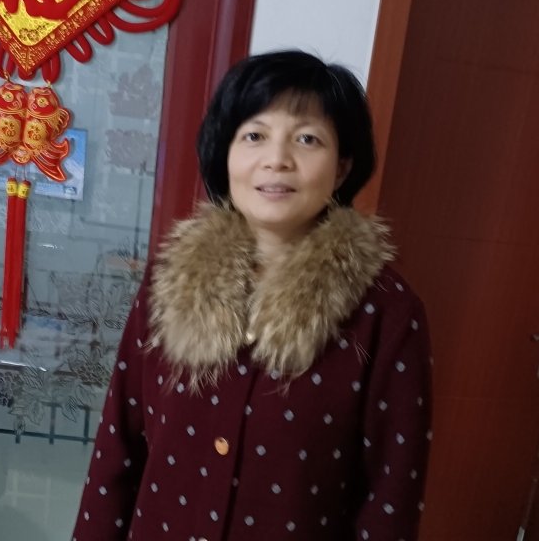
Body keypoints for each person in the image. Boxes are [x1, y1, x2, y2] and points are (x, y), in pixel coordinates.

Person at [71, 50, 432, 541]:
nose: (277, 159)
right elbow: (118, 447)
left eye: (307, 139)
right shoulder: (169, 280)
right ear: (226, 155)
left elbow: (391, 502)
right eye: (254, 136)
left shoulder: (386, 313)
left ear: (342, 168)